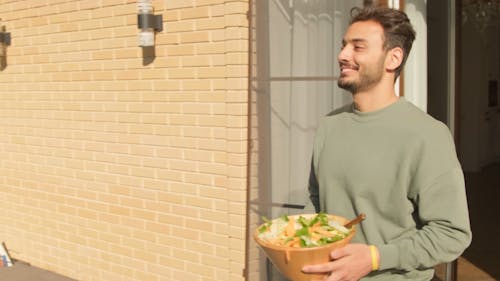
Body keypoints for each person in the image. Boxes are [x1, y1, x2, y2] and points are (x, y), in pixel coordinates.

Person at [301, 6, 472, 281]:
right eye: (344, 45)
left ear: (393, 58)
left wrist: (374, 258)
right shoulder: (329, 126)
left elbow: (451, 234)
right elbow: (316, 199)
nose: (342, 55)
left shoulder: (427, 135)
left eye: (358, 47)